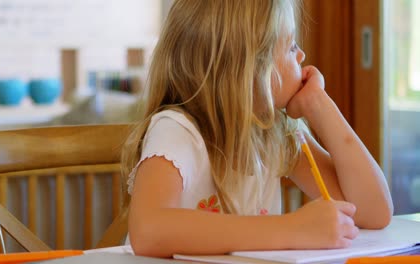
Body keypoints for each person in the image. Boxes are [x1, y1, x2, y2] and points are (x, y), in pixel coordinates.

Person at [121, 0, 393, 258]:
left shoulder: (273, 132)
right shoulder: (178, 130)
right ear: (248, 67)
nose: (302, 55)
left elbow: (373, 212)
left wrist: (320, 107)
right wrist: (292, 229)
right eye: (290, 47)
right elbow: (148, 231)